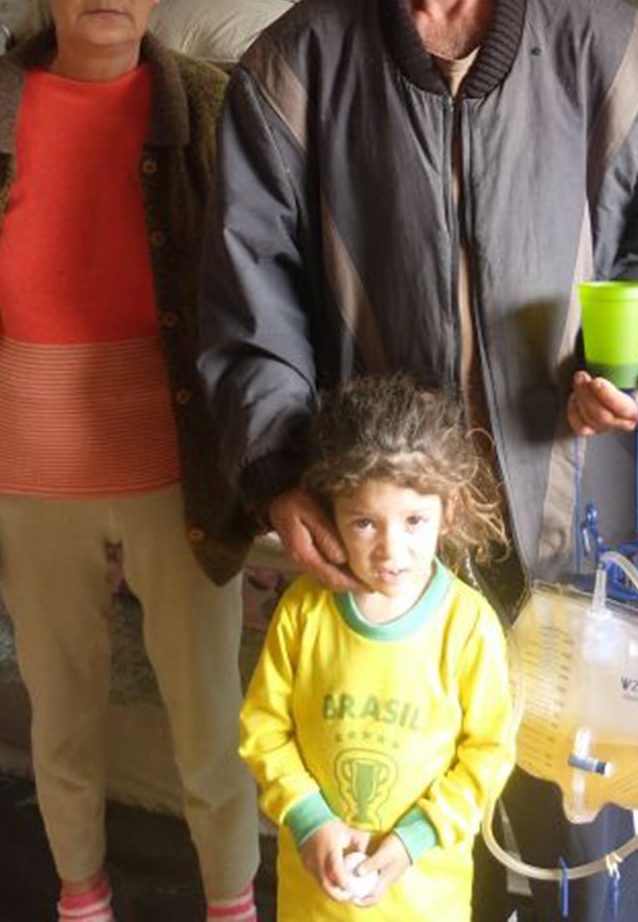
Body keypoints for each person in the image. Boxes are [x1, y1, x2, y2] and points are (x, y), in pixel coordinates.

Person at [202, 0, 638, 922]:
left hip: (567, 497)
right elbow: (248, 297)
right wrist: (282, 475)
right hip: (381, 534)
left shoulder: (614, 50)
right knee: (391, 826)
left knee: (570, 822)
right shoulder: (293, 69)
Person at [0, 0, 262, 922]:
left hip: (176, 457)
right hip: (28, 459)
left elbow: (267, 277)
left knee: (208, 713)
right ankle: (80, 896)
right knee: (61, 709)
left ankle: (230, 903)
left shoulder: (207, 105)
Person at [239, 375, 515, 921]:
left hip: (426, 904)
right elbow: (264, 731)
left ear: (448, 512)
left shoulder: (468, 625)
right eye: (364, 523)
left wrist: (413, 839)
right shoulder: (302, 612)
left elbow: (488, 753)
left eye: (414, 521)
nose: (392, 549)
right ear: (330, 514)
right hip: (316, 903)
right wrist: (310, 820)